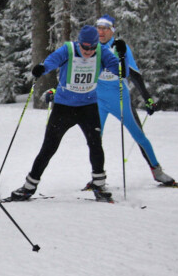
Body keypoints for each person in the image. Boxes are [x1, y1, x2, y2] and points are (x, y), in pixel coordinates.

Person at [10, 25, 121, 202]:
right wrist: (42, 68)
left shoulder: (102, 52)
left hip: (88, 107)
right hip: (64, 107)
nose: (88, 51)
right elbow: (51, 61)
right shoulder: (68, 50)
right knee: (49, 147)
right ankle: (29, 187)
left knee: (95, 145)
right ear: (79, 43)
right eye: (85, 47)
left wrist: (122, 57)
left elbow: (120, 71)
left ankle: (99, 185)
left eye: (92, 47)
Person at [93, 14, 175, 185]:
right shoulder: (92, 46)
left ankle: (157, 171)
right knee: (94, 139)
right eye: (98, 28)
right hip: (98, 100)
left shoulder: (120, 47)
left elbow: (135, 74)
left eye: (105, 28)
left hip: (119, 99)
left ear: (112, 30)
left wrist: (147, 99)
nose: (101, 32)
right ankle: (97, 178)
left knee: (138, 135)